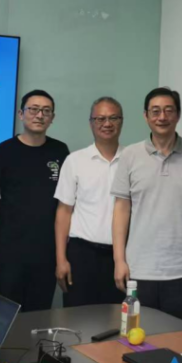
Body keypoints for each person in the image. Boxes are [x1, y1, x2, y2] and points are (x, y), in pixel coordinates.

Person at [112, 87, 182, 323]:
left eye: (169, 110)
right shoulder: (130, 155)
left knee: (178, 336)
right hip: (140, 267)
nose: (162, 117)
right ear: (146, 116)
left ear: (178, 114)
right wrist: (119, 260)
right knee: (139, 334)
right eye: (155, 111)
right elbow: (121, 210)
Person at [0, 90, 69, 311]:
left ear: (52, 117)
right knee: (6, 317)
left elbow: (66, 206)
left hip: (46, 254)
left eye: (46, 111)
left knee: (39, 317)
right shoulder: (2, 152)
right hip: (8, 254)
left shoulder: (60, 151)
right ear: (21, 114)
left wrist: (62, 256)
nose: (39, 115)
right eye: (33, 109)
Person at [54, 97, 125, 307]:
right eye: (100, 119)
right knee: (77, 318)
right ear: (91, 123)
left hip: (121, 256)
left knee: (118, 319)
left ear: (121, 121)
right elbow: (63, 212)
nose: (107, 123)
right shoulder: (75, 161)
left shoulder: (132, 160)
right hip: (82, 255)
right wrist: (61, 259)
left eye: (113, 118)